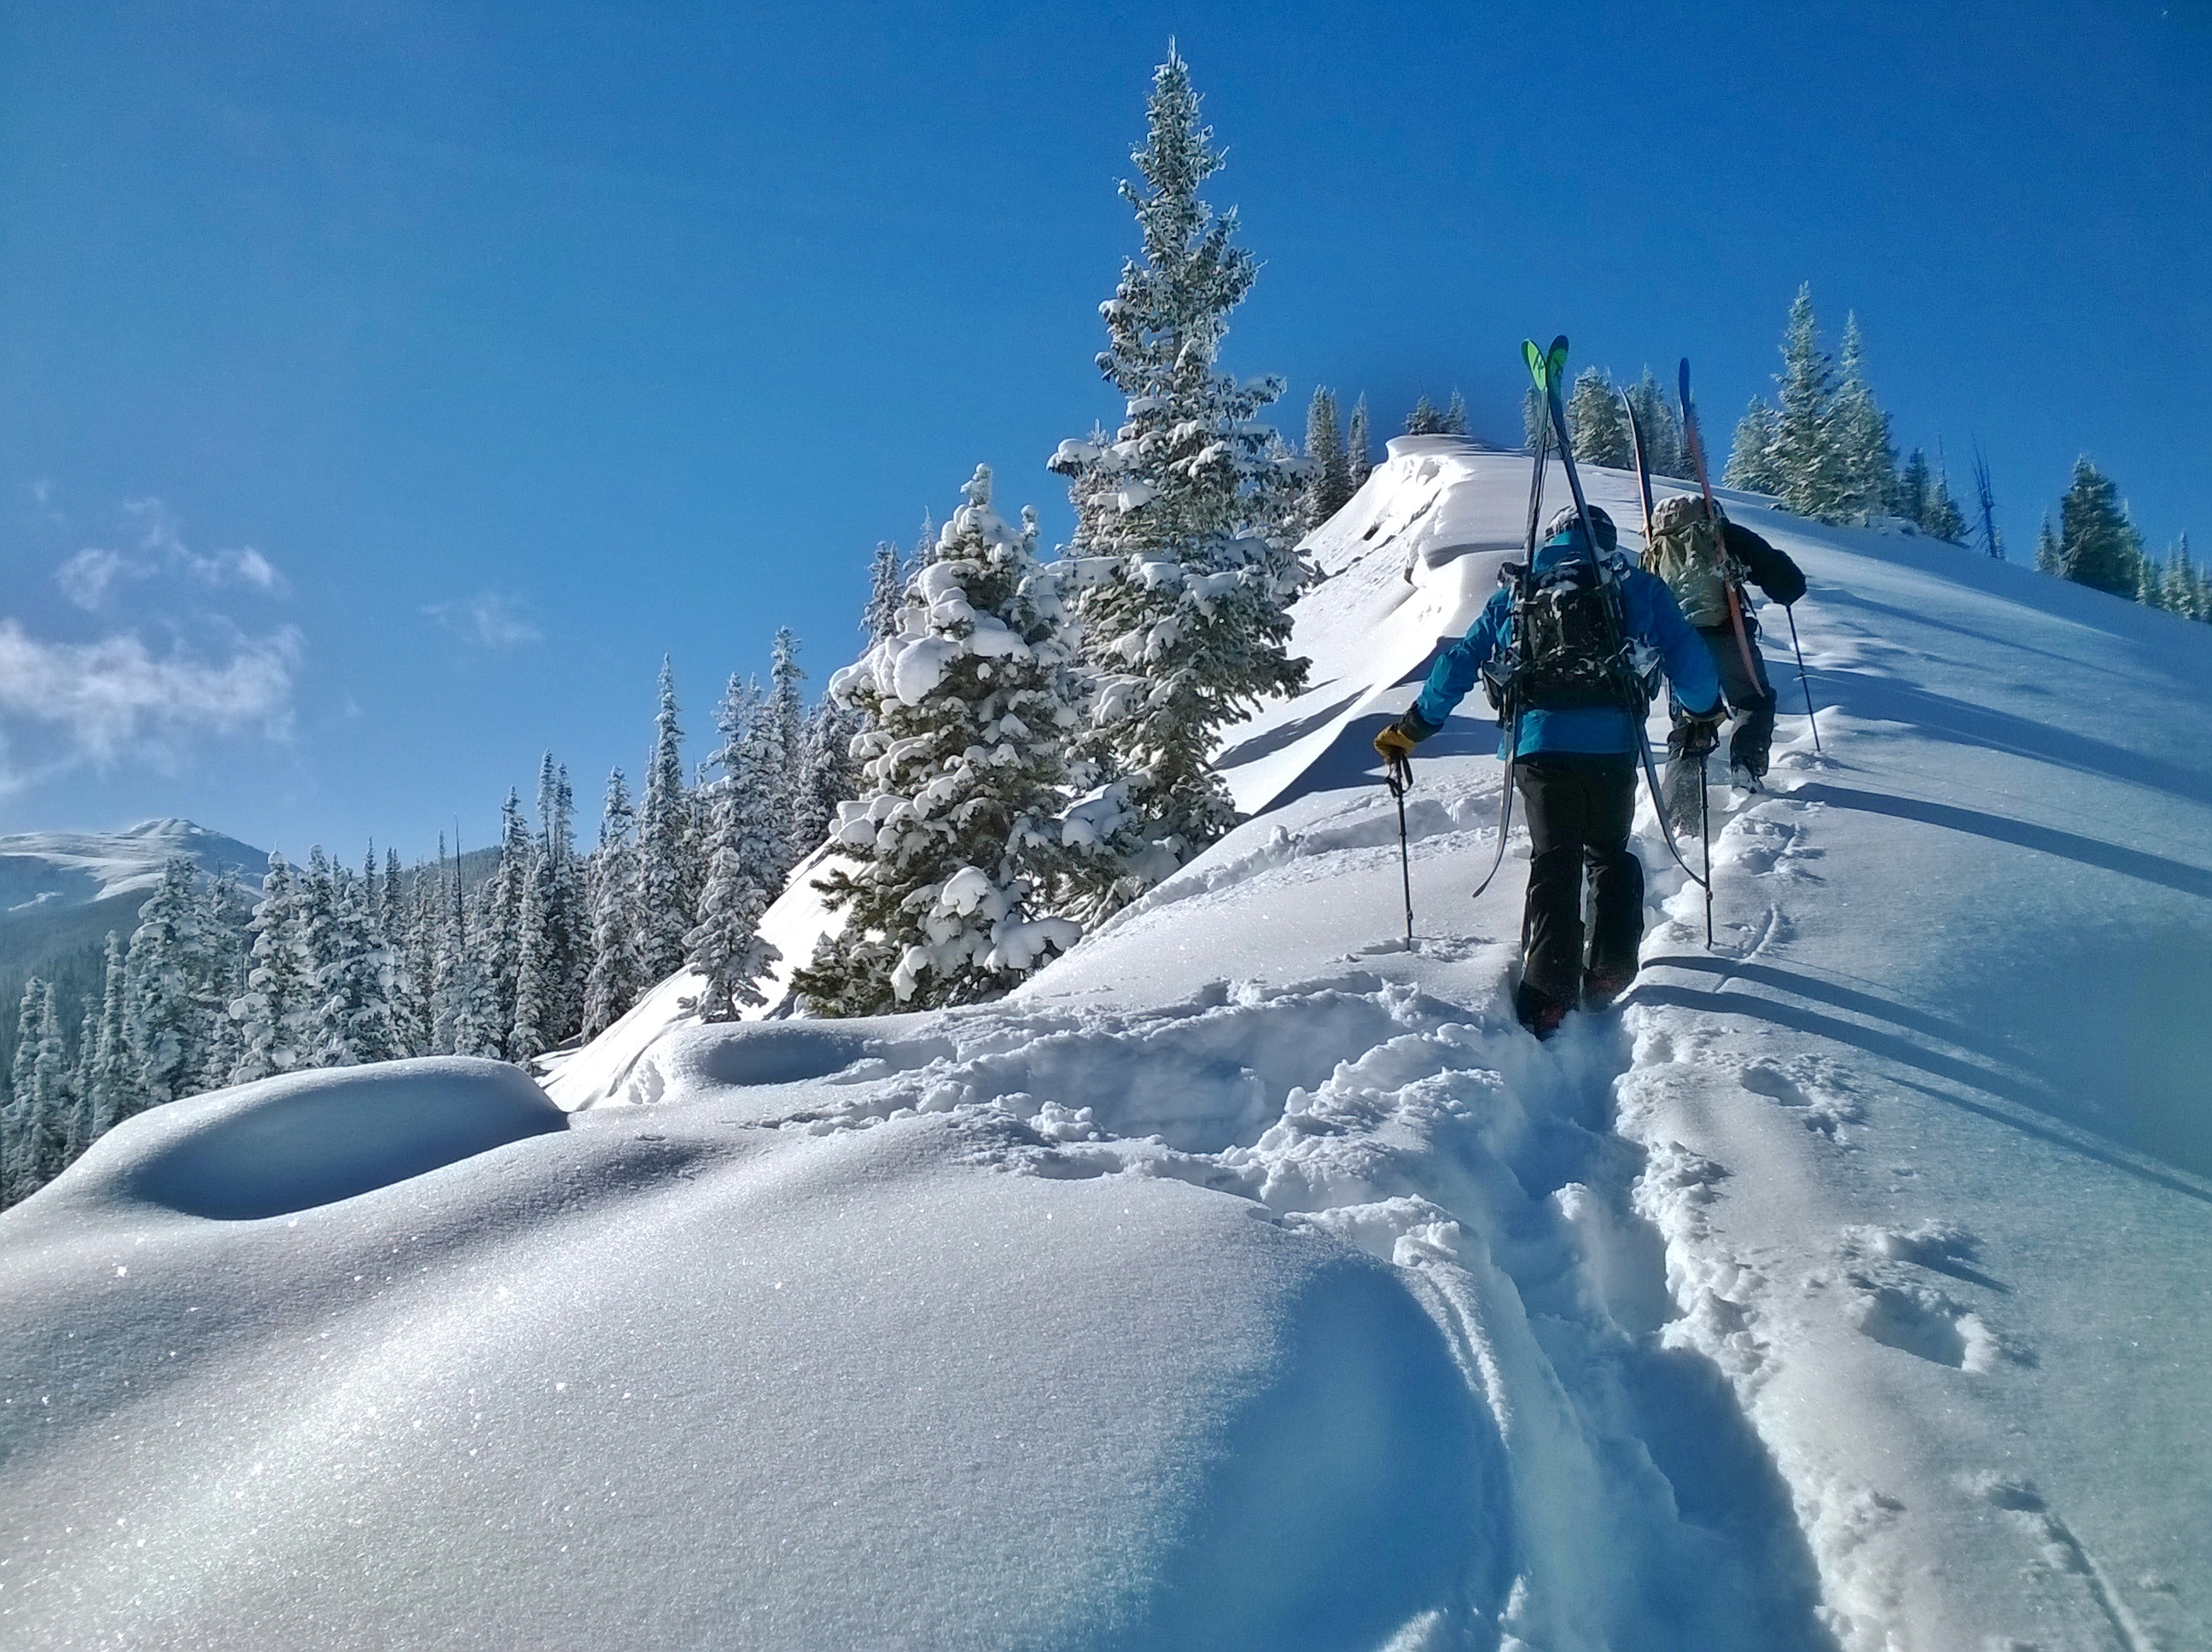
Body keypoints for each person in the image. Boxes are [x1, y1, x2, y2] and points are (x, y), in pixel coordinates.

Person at [1374, 504, 1722, 1039]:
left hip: (1539, 744)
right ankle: (1609, 967)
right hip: (1613, 744)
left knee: (1555, 857)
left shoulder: (1519, 590)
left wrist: (1413, 728)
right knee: (1609, 851)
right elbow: (1689, 657)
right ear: (1606, 540)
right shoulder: (1638, 587)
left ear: (1553, 538)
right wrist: (1701, 713)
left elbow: (1460, 661)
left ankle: (1548, 994)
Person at [1640, 494, 1805, 820]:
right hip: (1728, 635)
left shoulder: (1654, 549)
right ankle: (1745, 766)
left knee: (1691, 719)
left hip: (1679, 644)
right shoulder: (1720, 533)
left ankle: (1681, 812)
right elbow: (1787, 582)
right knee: (1753, 701)